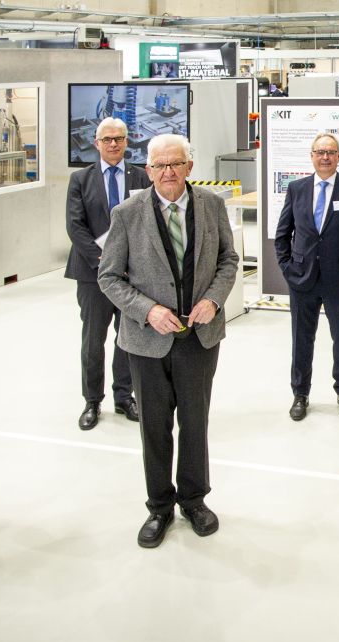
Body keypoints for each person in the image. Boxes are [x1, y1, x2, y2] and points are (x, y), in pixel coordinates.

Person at [98, 134, 239, 549]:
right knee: (155, 428)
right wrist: (147, 310)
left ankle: (194, 500)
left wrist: (214, 299)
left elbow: (229, 260)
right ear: (147, 169)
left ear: (190, 167)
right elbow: (108, 277)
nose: (168, 173)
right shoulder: (127, 214)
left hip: (199, 337)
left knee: (195, 423)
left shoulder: (211, 206)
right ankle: (159, 506)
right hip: (147, 342)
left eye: (175, 164)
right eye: (159, 166)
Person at [274, 133, 339, 421]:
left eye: (331, 152)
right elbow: (282, 235)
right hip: (302, 280)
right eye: (320, 152)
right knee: (301, 339)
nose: (325, 157)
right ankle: (300, 394)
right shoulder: (297, 189)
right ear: (312, 156)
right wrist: (288, 269)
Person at [65, 117, 151, 431]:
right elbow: (75, 226)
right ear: (96, 143)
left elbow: (147, 223)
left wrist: (130, 263)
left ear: (127, 142)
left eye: (119, 138)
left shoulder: (141, 176)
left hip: (132, 275)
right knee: (93, 339)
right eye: (107, 139)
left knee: (126, 338)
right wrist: (105, 260)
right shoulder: (81, 179)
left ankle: (123, 396)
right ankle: (92, 400)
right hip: (93, 274)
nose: (113, 144)